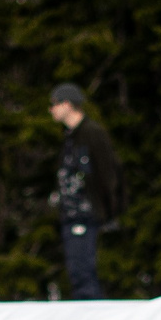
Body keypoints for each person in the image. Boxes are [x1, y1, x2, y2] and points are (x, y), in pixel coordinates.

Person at [48, 82, 120, 300]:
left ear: (67, 104)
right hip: (72, 214)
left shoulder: (91, 133)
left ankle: (91, 317)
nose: (51, 110)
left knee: (83, 272)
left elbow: (108, 173)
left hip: (85, 213)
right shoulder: (71, 136)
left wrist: (109, 212)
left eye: (55, 104)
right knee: (77, 271)